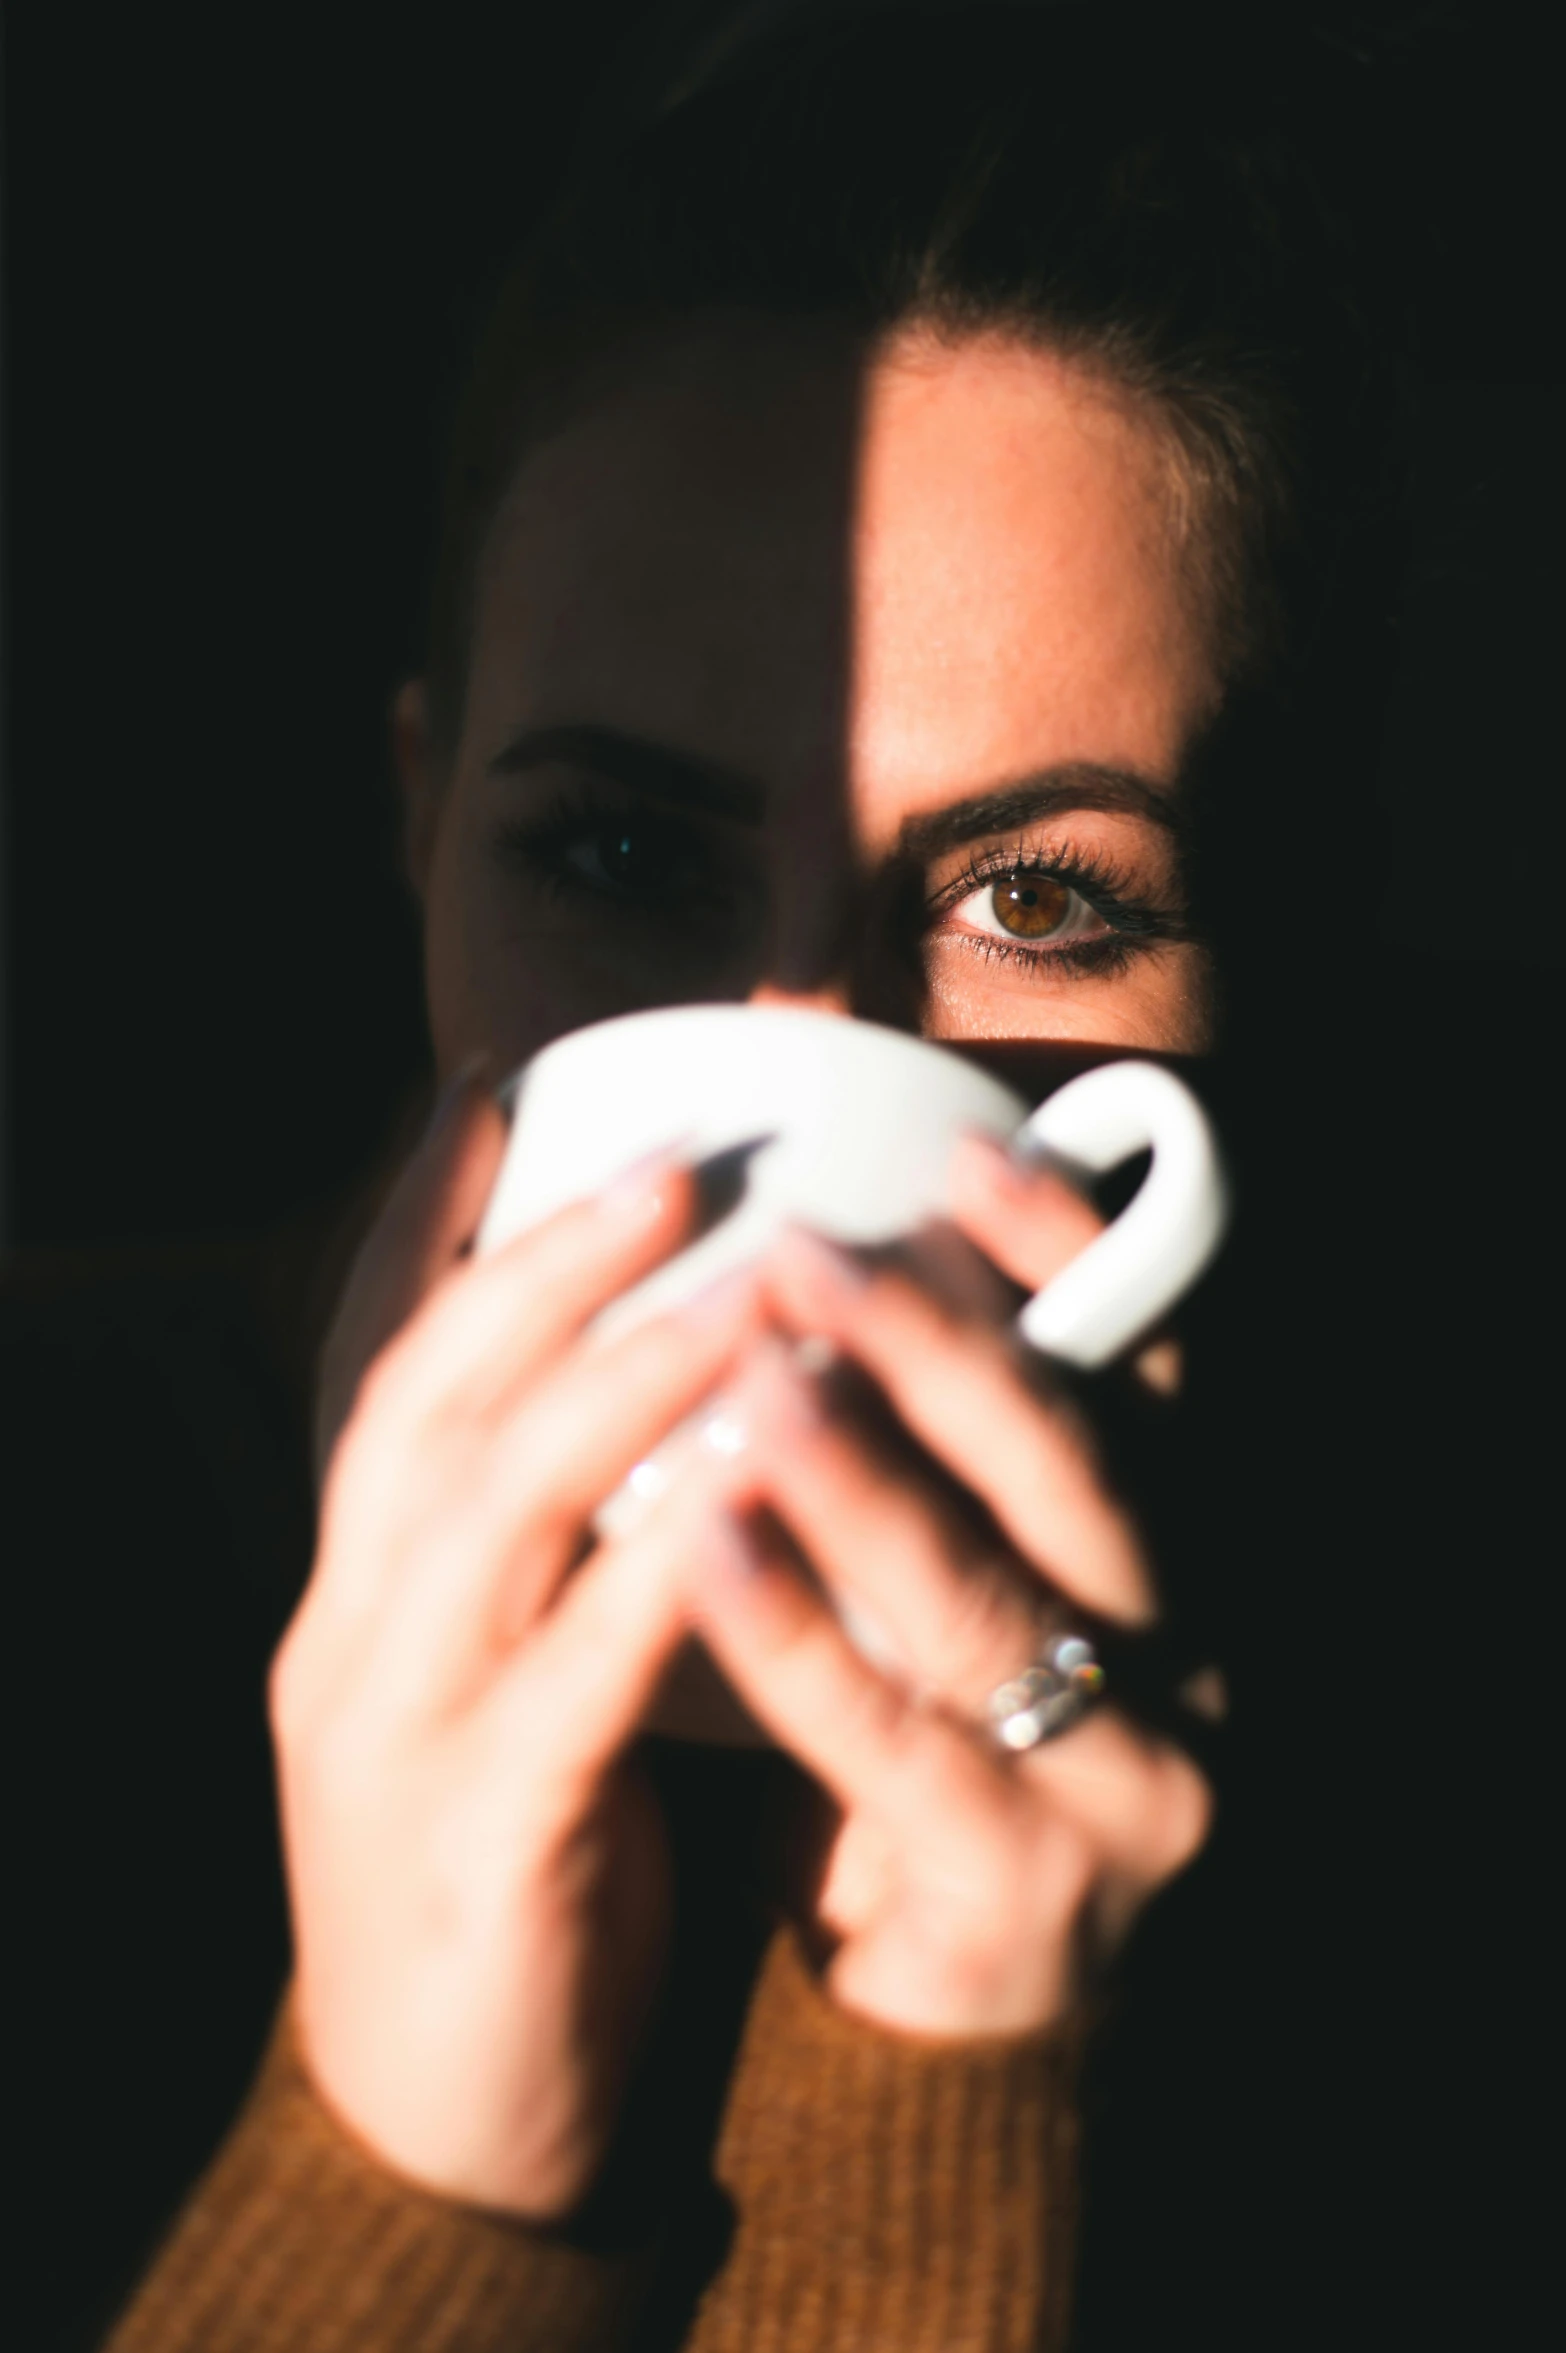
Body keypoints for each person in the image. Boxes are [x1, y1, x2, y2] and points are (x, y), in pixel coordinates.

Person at [45, 4, 1429, 2347]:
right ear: (417, 827)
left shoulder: (1424, 1835)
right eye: (610, 850)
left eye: (1044, 904)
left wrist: (946, 2092)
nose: (810, 1044)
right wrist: (409, 2184)